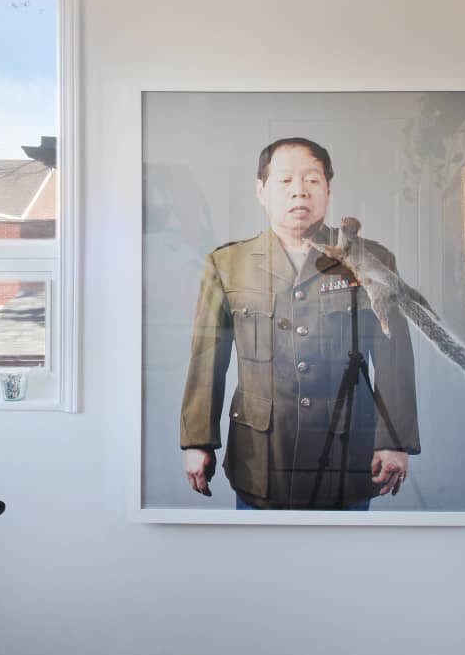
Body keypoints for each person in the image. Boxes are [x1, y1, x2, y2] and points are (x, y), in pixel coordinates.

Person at [180, 137, 420, 510]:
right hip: (261, 457)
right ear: (261, 190)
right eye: (285, 181)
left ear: (328, 189)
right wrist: (198, 440)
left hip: (346, 456)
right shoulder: (227, 265)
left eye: (311, 180)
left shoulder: (371, 259)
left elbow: (394, 357)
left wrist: (394, 440)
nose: (299, 192)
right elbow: (206, 360)